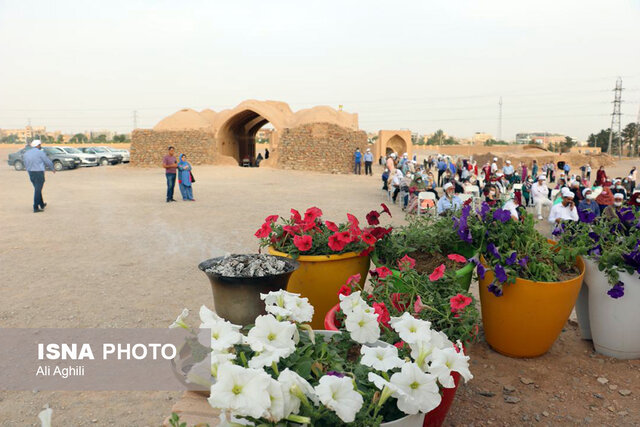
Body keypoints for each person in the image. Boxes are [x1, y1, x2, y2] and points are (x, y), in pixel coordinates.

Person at [23, 140, 55, 213]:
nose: (40, 146)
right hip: (39, 172)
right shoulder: (40, 152)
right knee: (37, 190)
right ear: (37, 145)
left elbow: (25, 164)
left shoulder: (26, 153)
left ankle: (41, 204)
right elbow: (47, 161)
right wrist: (52, 168)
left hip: (31, 172)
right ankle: (35, 207)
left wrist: (29, 171)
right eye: (40, 145)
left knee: (37, 188)